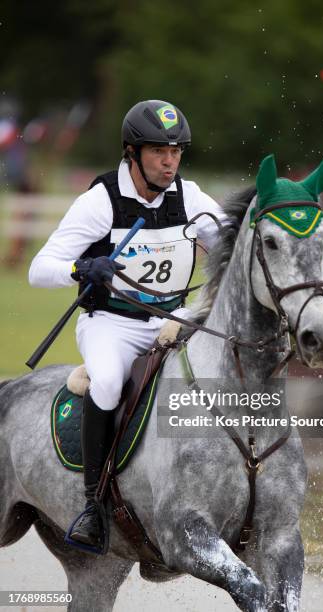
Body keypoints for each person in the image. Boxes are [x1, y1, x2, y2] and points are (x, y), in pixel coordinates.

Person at [29, 99, 226, 548]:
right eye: (159, 151)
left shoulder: (191, 198)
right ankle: (93, 507)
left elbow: (231, 245)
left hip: (173, 320)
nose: (170, 161)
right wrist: (81, 269)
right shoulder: (99, 201)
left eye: (177, 152)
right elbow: (39, 269)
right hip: (112, 325)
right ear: (131, 152)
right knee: (109, 382)